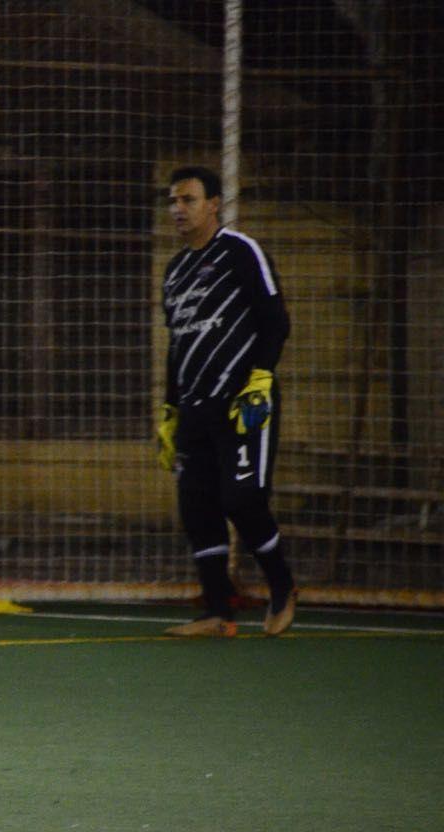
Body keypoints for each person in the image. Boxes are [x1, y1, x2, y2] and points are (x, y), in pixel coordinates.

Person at [157, 165, 297, 637]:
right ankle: (218, 612)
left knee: (242, 498)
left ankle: (282, 585)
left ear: (213, 204)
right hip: (195, 409)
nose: (178, 209)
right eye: (173, 201)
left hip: (243, 402)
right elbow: (179, 345)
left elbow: (275, 319)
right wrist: (170, 408)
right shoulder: (175, 272)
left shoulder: (241, 251)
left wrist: (260, 377)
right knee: (196, 505)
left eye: (188, 200)